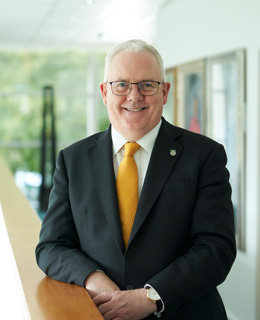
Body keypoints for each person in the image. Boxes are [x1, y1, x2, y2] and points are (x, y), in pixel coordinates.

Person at [36, 39, 236, 320]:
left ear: (164, 91)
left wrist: (151, 296)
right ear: (105, 92)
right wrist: (92, 277)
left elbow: (217, 248)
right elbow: (51, 246)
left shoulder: (205, 155)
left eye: (147, 85)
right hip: (100, 313)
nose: (134, 96)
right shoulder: (72, 160)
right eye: (121, 85)